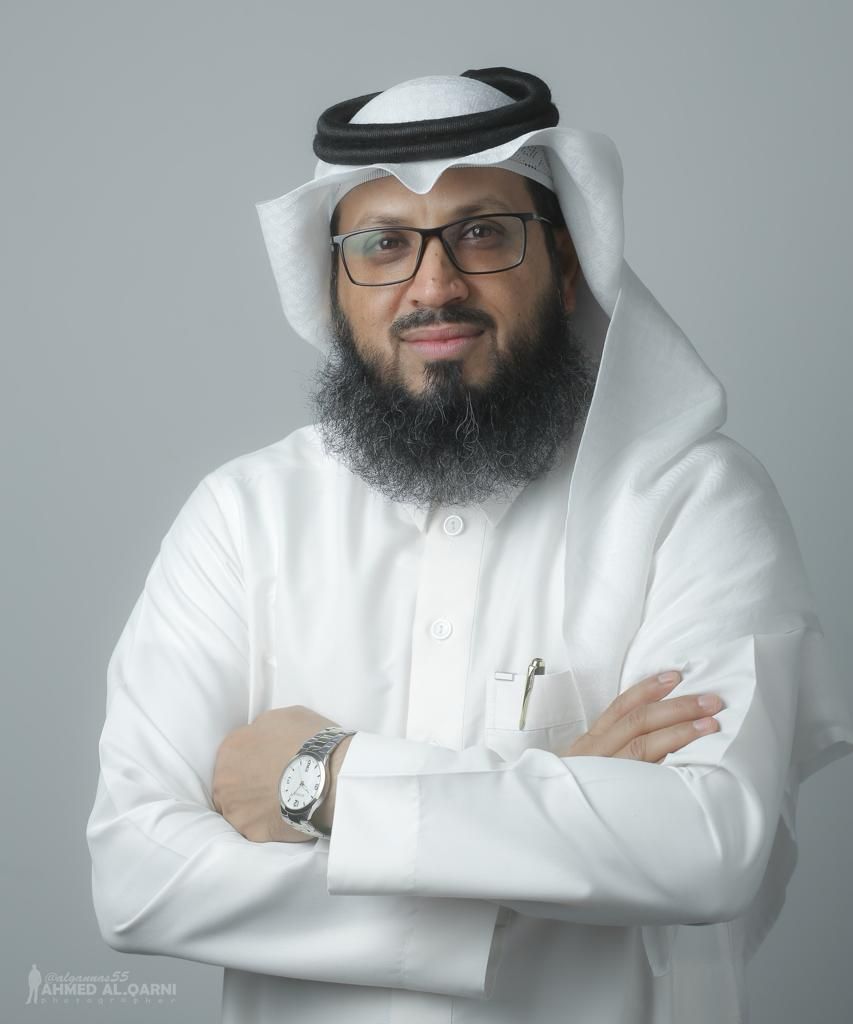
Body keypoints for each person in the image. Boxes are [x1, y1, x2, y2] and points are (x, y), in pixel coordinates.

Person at [86, 67, 853, 1024]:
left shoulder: (692, 502)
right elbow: (137, 877)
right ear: (334, 287)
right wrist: (556, 833)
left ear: (564, 266)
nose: (433, 285)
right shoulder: (242, 519)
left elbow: (704, 844)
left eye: (482, 233)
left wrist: (326, 778)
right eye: (383, 245)